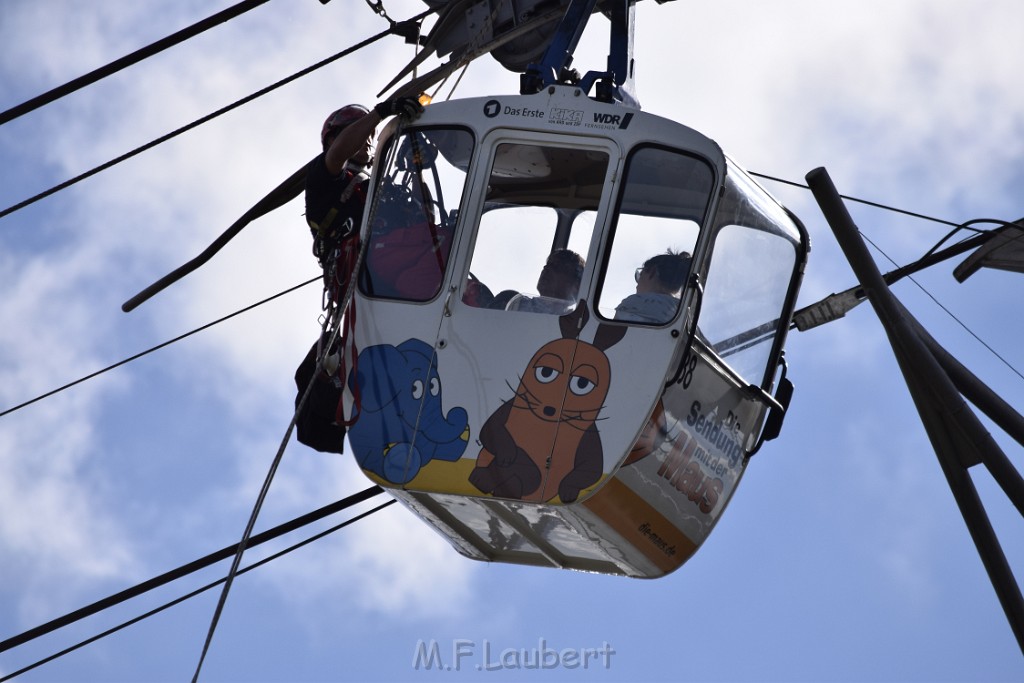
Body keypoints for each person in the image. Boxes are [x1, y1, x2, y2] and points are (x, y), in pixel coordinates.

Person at [294, 96, 423, 455]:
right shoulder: (325, 181)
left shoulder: (382, 188)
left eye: (370, 135)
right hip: (370, 285)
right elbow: (336, 156)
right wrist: (381, 113)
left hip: (406, 286)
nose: (367, 141)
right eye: (358, 134)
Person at [614, 250, 691, 324]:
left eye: (640, 275)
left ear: (652, 272)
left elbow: (608, 334)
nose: (637, 285)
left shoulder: (635, 303)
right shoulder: (686, 317)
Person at [505, 249, 585, 314]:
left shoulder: (575, 324)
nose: (546, 269)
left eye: (557, 267)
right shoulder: (510, 301)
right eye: (548, 265)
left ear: (576, 285)